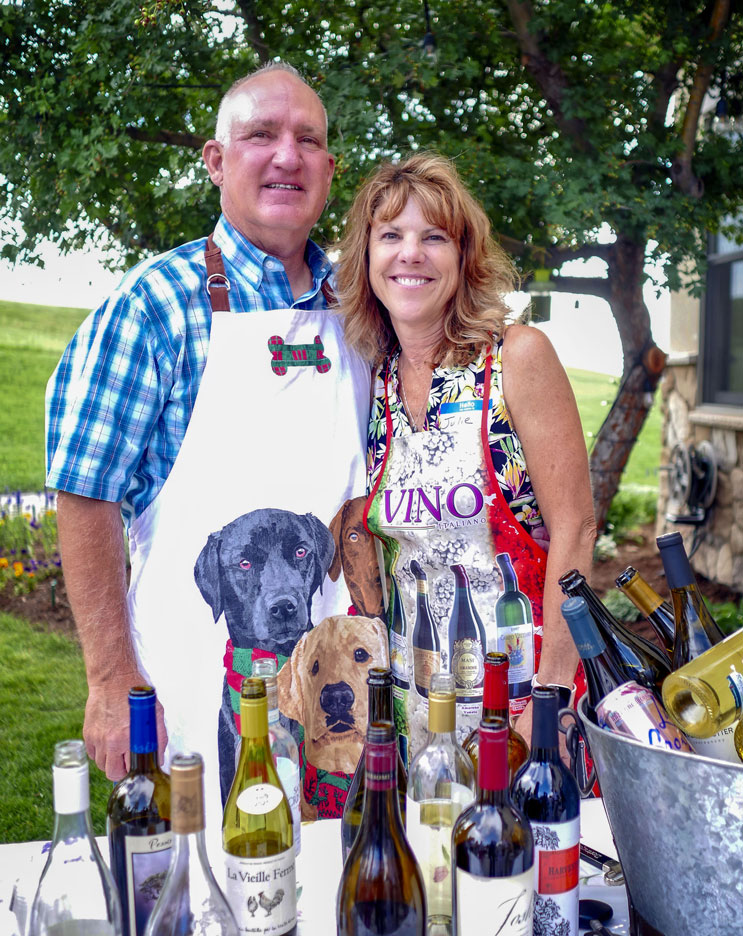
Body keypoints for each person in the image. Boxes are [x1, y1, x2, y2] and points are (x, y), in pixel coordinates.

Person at [45, 63, 375, 821]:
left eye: (308, 140)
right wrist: (109, 682)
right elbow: (83, 495)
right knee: (191, 911)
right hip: (190, 688)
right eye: (260, 135)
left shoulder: (360, 309)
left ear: (329, 169)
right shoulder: (152, 306)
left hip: (334, 697)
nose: (286, 156)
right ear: (216, 160)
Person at [333, 152, 597, 755]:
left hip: (526, 707)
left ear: (463, 257)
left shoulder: (516, 358)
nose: (411, 253)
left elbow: (576, 529)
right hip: (415, 715)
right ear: (367, 256)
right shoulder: (374, 380)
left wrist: (549, 704)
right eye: (391, 235)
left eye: (434, 237)